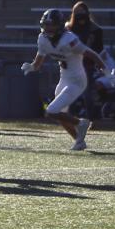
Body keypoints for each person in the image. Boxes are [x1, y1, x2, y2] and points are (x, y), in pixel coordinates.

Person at [22, 9, 108, 150]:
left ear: (60, 24)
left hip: (77, 80)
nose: (48, 28)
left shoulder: (69, 39)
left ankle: (81, 123)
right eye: (46, 24)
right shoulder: (43, 39)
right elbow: (39, 61)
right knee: (59, 114)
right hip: (64, 79)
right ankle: (79, 141)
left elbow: (91, 53)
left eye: (51, 25)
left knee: (51, 111)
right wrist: (32, 67)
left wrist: (107, 72)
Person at [67, 2, 104, 119]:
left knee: (88, 94)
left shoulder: (95, 30)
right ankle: (70, 118)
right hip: (71, 65)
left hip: (87, 65)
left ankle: (90, 119)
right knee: (70, 93)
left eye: (81, 13)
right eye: (76, 13)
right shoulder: (68, 29)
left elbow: (99, 48)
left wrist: (90, 48)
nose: (79, 16)